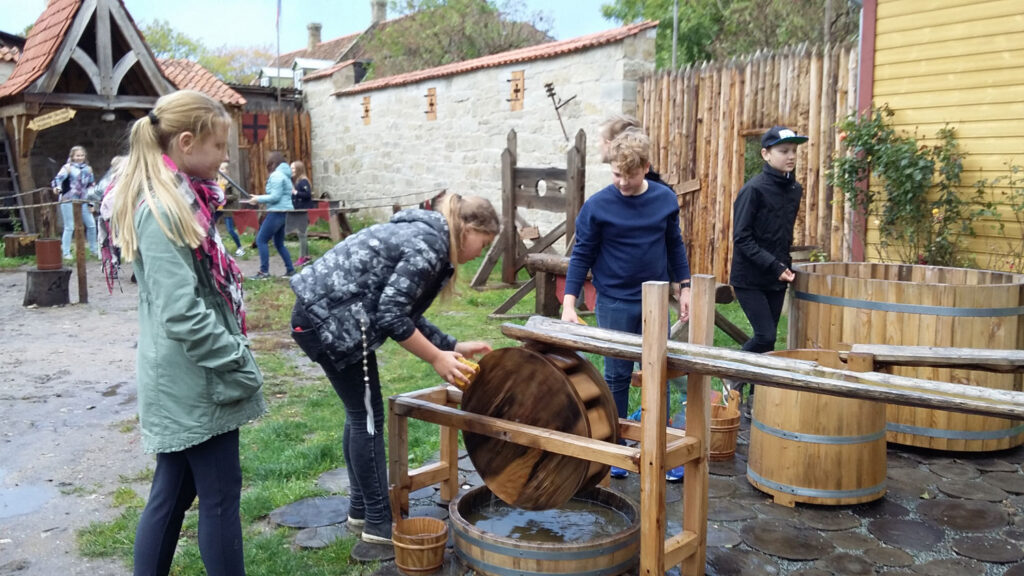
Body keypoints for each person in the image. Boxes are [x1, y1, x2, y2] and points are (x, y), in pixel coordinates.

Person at [109, 89, 266, 576]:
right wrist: (235, 357)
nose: (223, 158)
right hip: (196, 379)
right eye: (218, 146)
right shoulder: (162, 210)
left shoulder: (181, 200)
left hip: (188, 376)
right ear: (185, 143)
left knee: (173, 492)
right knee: (219, 497)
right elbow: (181, 313)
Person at [289, 193, 499, 546]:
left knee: (361, 414)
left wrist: (451, 346)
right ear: (467, 229)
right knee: (367, 418)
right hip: (330, 320)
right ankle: (379, 525)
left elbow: (406, 311)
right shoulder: (429, 244)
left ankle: (362, 511)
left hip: (328, 317)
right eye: (485, 242)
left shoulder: (427, 235)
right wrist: (436, 357)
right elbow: (391, 316)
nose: (483, 252)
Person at [561, 130, 691, 482]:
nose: (621, 182)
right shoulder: (598, 206)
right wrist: (569, 304)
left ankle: (660, 447)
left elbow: (674, 245)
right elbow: (581, 256)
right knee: (616, 375)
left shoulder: (664, 200)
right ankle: (617, 447)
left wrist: (685, 286)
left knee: (658, 373)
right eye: (616, 174)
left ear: (646, 167)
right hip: (614, 301)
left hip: (654, 301)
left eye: (629, 175)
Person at [730, 125, 808, 414]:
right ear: (765, 154)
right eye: (783, 151)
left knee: (769, 345)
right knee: (764, 336)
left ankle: (755, 402)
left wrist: (784, 265)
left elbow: (781, 234)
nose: (791, 156)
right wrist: (774, 265)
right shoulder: (753, 190)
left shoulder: (795, 190)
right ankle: (730, 376)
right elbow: (742, 238)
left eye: (794, 151)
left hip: (777, 277)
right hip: (749, 277)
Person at [247, 151, 295, 279]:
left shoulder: (277, 175)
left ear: (272, 163)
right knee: (279, 243)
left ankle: (264, 272)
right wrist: (258, 197)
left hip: (276, 212)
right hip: (284, 213)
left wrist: (258, 199)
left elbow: (275, 197)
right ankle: (290, 270)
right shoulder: (285, 175)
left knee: (261, 240)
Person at [51, 145, 98, 260]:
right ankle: (66, 252)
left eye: (82, 155)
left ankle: (94, 250)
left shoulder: (88, 169)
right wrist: (57, 188)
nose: (79, 158)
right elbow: (57, 180)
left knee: (91, 225)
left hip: (84, 200)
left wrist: (92, 203)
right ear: (72, 156)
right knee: (69, 226)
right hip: (68, 199)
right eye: (77, 155)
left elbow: (91, 186)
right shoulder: (67, 168)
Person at [287, 160, 314, 266]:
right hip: (299, 211)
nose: (291, 170)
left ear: (298, 169)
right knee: (301, 234)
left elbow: (307, 194)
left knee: (302, 234)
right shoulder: (297, 181)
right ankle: (306, 256)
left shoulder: (303, 181)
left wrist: (296, 192)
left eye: (293, 168)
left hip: (304, 211)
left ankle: (302, 257)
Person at [216, 161, 246, 257]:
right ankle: (217, 248)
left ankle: (240, 248)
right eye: (220, 168)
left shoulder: (230, 183)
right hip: (217, 209)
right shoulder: (216, 181)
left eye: (223, 169)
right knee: (210, 225)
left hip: (227, 209)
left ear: (227, 171)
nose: (220, 170)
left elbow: (235, 195)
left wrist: (224, 197)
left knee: (230, 230)